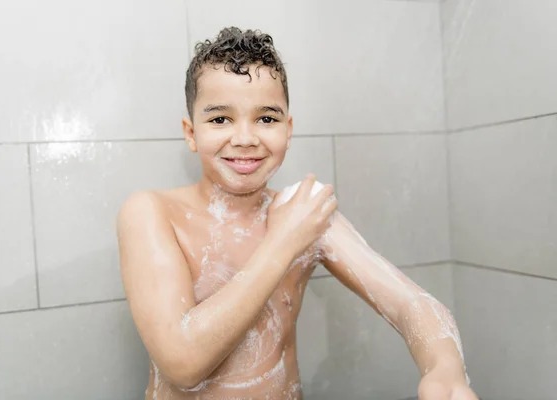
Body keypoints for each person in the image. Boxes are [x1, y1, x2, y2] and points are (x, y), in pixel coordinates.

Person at [116, 27, 478, 400]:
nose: (244, 138)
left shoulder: (305, 214)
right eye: (220, 119)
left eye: (266, 119)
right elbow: (182, 363)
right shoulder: (152, 213)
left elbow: (411, 304)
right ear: (191, 133)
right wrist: (284, 241)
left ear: (288, 130)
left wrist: (444, 371)